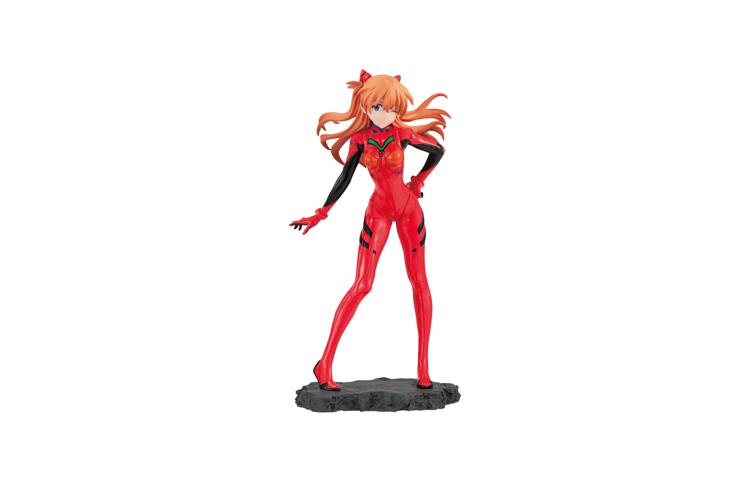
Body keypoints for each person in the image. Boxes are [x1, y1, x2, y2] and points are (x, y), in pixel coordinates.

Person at [290, 70, 449, 390]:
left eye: (392, 108)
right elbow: (345, 178)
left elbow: (437, 151)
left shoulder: (403, 133)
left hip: (409, 211)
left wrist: (418, 181)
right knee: (362, 285)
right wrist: (321, 213)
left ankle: (423, 367)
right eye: (378, 107)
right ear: (365, 105)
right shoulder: (360, 141)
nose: (385, 113)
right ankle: (325, 363)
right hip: (378, 213)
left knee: (419, 282)